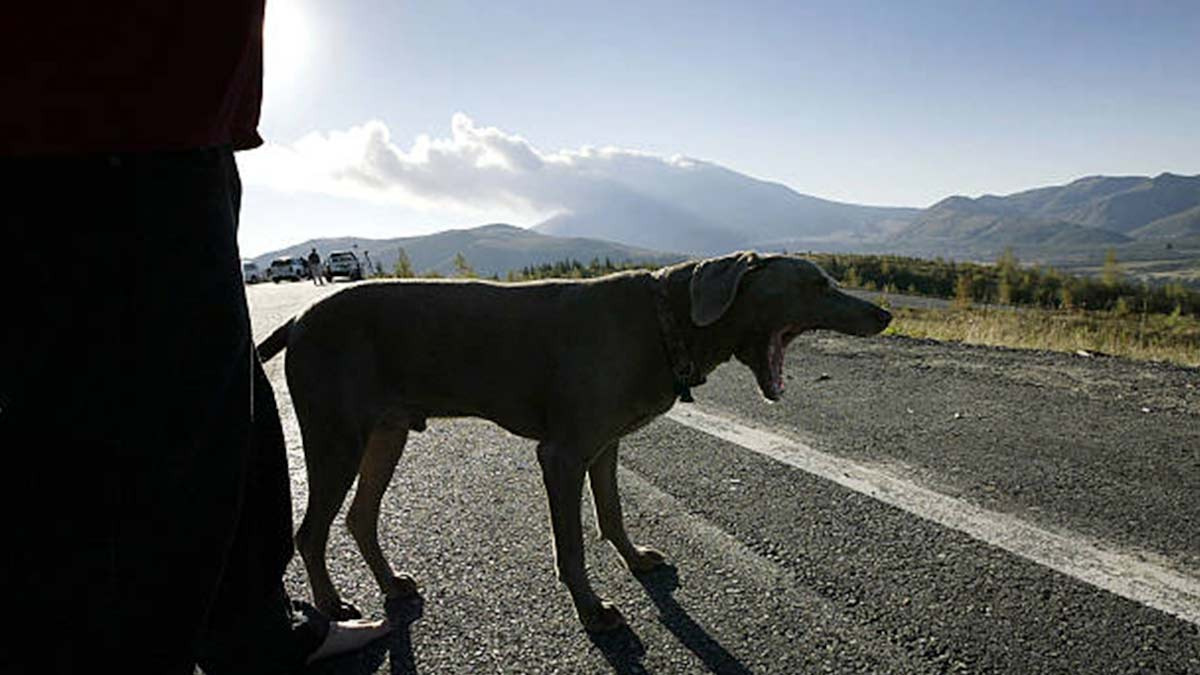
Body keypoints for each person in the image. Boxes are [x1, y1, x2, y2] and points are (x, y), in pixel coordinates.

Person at [1, 3, 390, 673]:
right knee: (130, 444)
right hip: (99, 122)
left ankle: (252, 626)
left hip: (168, 123)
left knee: (221, 400)